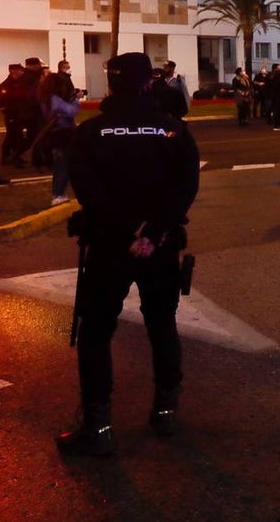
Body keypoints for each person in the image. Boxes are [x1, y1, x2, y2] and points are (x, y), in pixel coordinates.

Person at [56, 52, 199, 456]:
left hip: (108, 246)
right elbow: (185, 187)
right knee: (161, 325)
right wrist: (152, 233)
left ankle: (97, 425)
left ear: (111, 84)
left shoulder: (92, 133)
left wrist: (124, 233)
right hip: (159, 246)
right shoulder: (173, 131)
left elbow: (87, 190)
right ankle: (166, 410)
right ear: (147, 83)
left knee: (97, 331)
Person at [45, 72, 82, 206]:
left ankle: (58, 193)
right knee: (63, 166)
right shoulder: (54, 98)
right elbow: (70, 111)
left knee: (60, 165)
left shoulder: (49, 97)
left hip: (58, 134)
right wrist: (76, 100)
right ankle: (58, 194)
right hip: (62, 134)